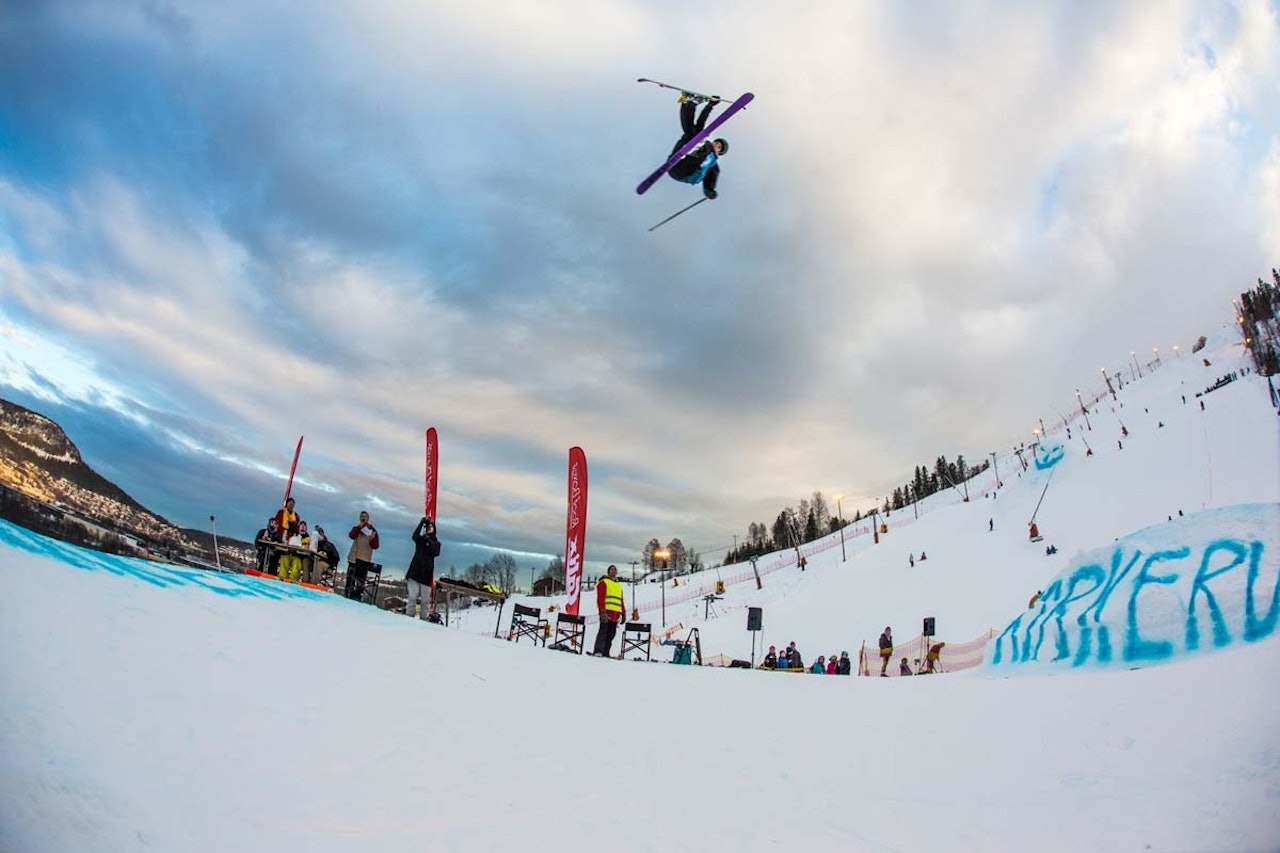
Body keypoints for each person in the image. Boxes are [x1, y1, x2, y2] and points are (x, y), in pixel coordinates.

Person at [667, 96, 728, 200]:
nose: (716, 145)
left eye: (719, 147)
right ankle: (688, 104)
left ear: (719, 153)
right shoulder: (705, 143)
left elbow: (711, 178)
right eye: (717, 143)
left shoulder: (712, 163)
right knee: (695, 134)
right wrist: (709, 106)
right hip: (676, 163)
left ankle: (689, 105)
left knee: (698, 138)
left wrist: (709, 191)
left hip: (686, 173)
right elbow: (701, 122)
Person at [404, 517, 441, 620]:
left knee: (425, 600)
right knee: (412, 596)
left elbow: (435, 552)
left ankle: (424, 620)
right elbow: (414, 536)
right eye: (428, 527)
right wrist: (421, 524)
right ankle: (409, 617)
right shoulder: (420, 540)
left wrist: (429, 539)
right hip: (415, 572)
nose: (429, 528)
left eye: (431, 527)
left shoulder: (436, 543)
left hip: (426, 575)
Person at [344, 511, 380, 601]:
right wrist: (360, 526)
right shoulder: (357, 528)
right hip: (353, 558)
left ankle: (357, 596)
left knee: (360, 580)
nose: (363, 518)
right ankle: (347, 594)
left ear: (368, 518)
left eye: (365, 516)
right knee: (350, 579)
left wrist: (372, 539)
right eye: (361, 516)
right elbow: (351, 535)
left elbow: (376, 546)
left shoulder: (373, 530)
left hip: (364, 559)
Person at [592, 565, 626, 657]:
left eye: (615, 569)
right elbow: (600, 598)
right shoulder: (604, 582)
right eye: (612, 569)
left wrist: (623, 613)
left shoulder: (619, 586)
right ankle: (598, 651)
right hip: (606, 613)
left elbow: (621, 600)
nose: (614, 571)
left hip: (615, 614)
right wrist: (602, 611)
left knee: (611, 634)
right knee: (603, 632)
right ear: (608, 572)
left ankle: (606, 652)